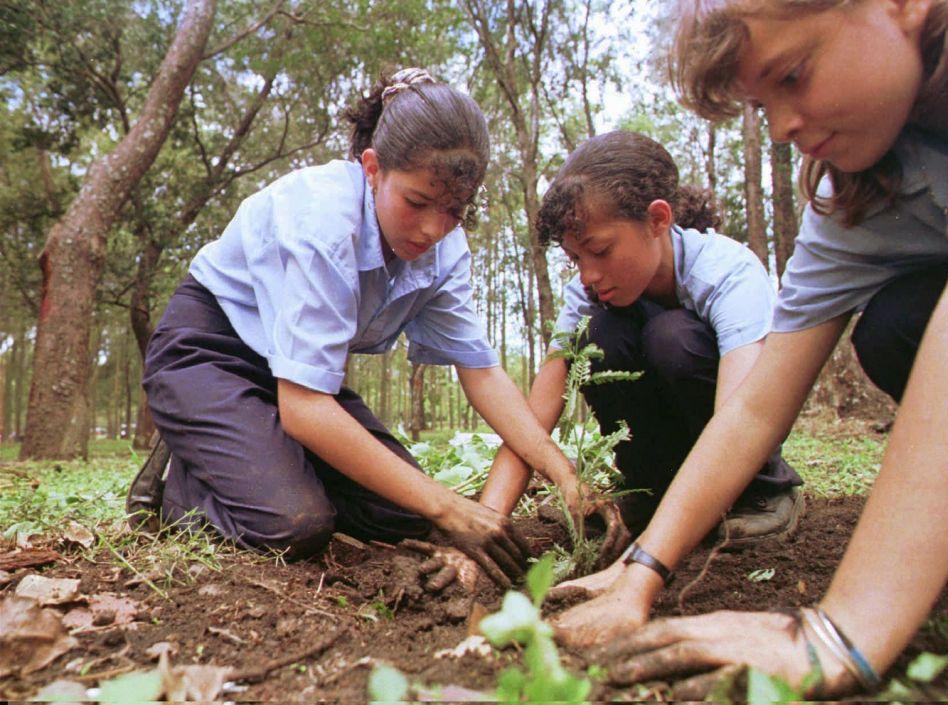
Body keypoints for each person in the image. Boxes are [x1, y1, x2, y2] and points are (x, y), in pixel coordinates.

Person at [551, 0, 948, 695]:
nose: (781, 128)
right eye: (760, 105)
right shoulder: (857, 190)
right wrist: (641, 571)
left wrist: (841, 628)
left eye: (793, 76)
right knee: (897, 325)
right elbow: (753, 407)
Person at [126, 68, 605, 589]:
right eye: (417, 203)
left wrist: (567, 478)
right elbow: (306, 410)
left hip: (286, 376)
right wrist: (449, 507)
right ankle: (181, 485)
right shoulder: (323, 220)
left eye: (455, 211)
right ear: (372, 168)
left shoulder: (445, 251)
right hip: (208, 353)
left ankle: (256, 456)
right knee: (293, 524)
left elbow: (482, 373)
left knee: (405, 514)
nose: (432, 228)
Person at [477, 130, 803, 587]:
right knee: (599, 334)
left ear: (657, 219)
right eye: (575, 258)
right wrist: (485, 526)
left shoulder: (728, 273)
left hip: (735, 457)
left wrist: (647, 561)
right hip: (665, 468)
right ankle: (650, 494)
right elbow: (533, 421)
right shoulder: (584, 296)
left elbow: (744, 416)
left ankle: (764, 495)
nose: (588, 274)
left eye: (601, 250)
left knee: (672, 336)